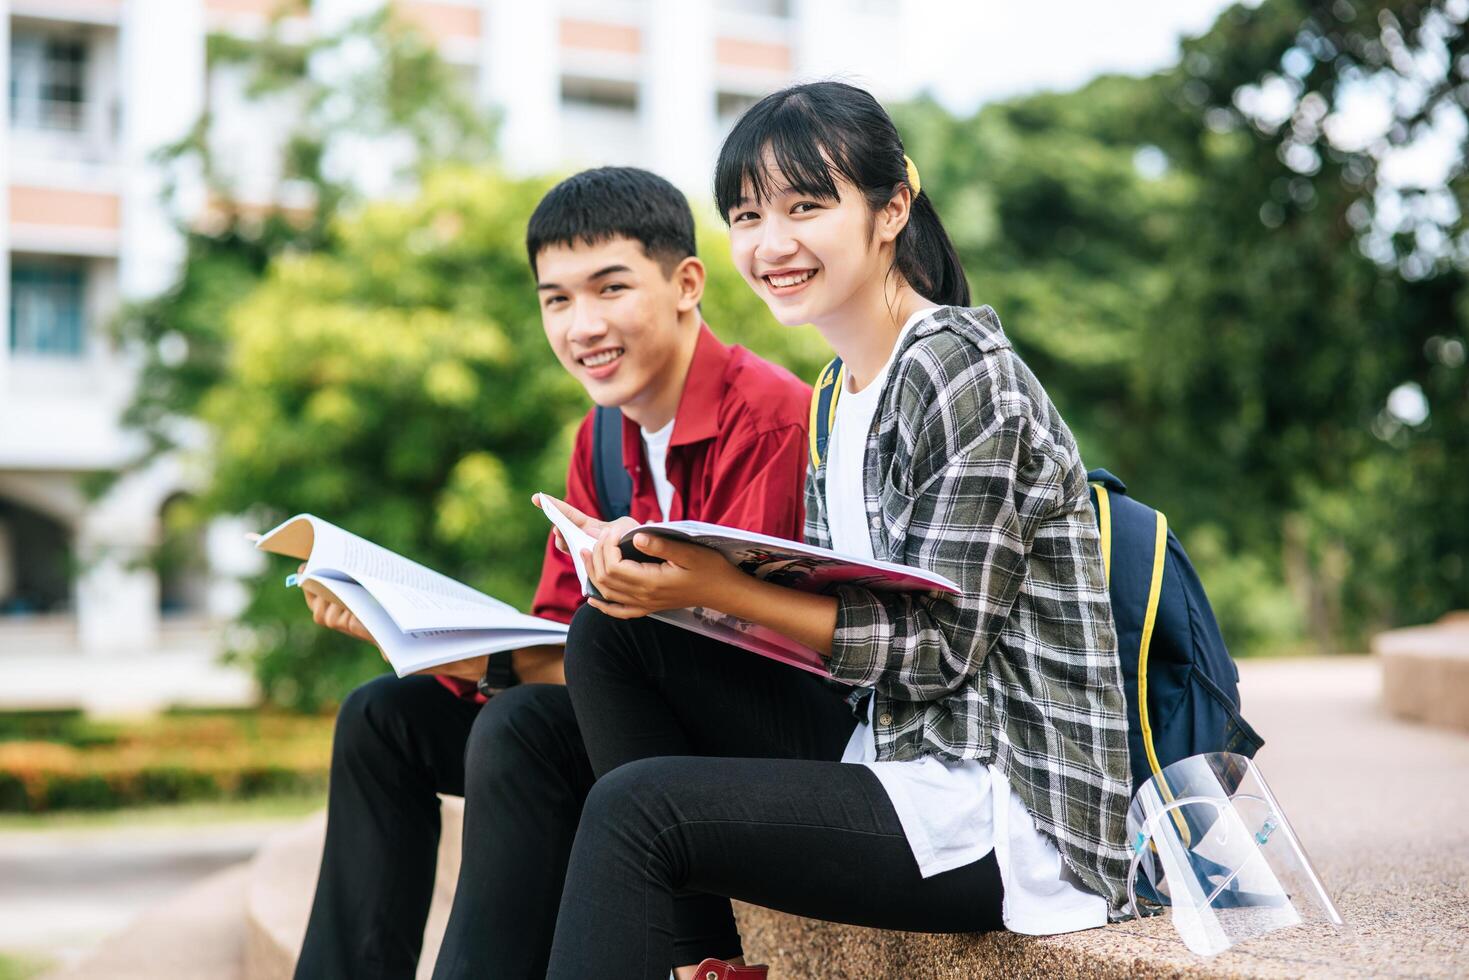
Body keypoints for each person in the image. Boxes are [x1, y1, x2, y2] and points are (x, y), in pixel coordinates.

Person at [541, 82, 1134, 980]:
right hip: (891, 748)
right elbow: (841, 615)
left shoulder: (959, 372)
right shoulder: (834, 392)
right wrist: (677, 585)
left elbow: (939, 651)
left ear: (891, 207)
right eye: (745, 215)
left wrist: (717, 589)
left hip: (1006, 805)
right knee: (612, 637)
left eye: (804, 207)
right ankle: (707, 964)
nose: (769, 244)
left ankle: (700, 957)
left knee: (638, 807)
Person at [293, 166, 812, 980]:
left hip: (750, 741)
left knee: (515, 728)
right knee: (381, 718)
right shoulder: (599, 440)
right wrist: (421, 639)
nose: (582, 326)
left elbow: (741, 662)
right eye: (556, 299)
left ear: (686, 283)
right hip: (621, 725)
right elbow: (560, 627)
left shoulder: (769, 417)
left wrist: (489, 664)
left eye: (609, 288)